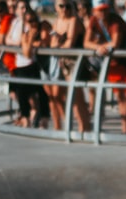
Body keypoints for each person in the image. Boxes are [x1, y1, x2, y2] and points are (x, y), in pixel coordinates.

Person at [85, 0, 126, 134]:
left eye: (105, 9)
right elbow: (86, 42)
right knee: (119, 96)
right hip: (113, 63)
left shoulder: (115, 21)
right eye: (100, 10)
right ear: (94, 11)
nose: (103, 13)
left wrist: (102, 46)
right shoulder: (94, 20)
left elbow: (116, 42)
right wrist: (99, 47)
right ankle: (125, 126)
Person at [48, 0, 92, 132]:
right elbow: (52, 44)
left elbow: (70, 44)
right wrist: (59, 44)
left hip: (75, 63)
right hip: (63, 62)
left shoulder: (74, 21)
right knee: (58, 95)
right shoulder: (57, 22)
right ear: (56, 7)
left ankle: (84, 127)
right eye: (61, 6)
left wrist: (58, 44)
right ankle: (69, 126)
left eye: (68, 6)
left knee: (77, 97)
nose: (65, 9)